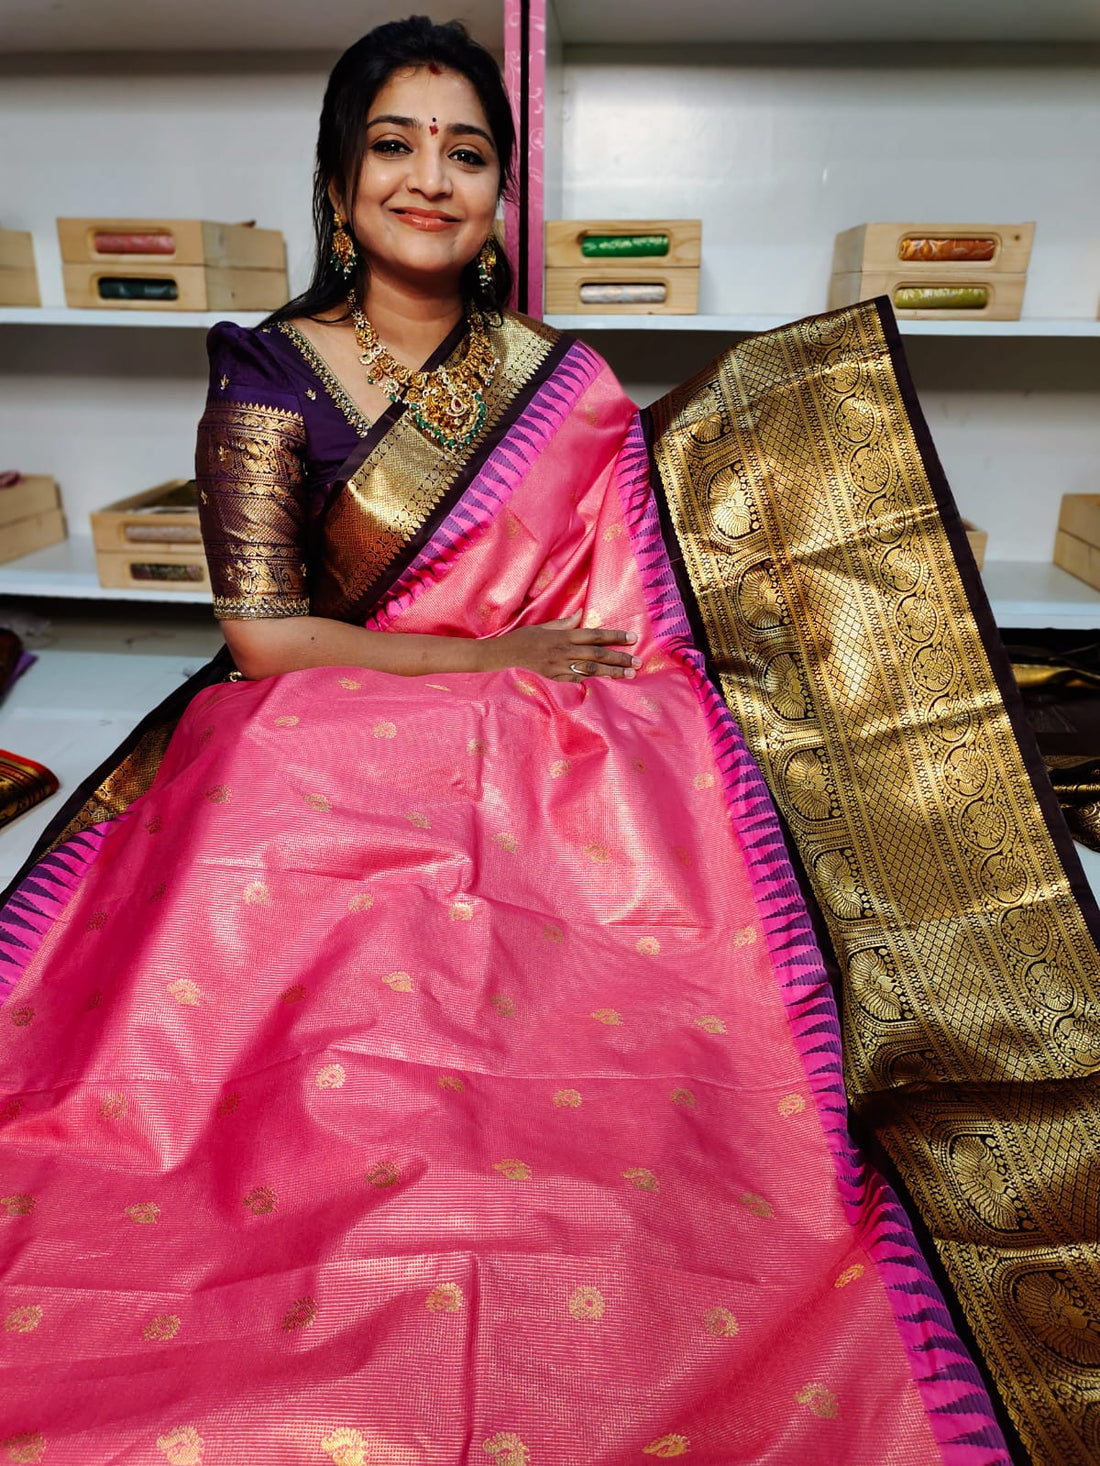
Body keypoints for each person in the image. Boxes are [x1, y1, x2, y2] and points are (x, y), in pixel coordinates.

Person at [2, 17, 1098, 1465]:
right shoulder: (268, 369)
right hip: (330, 712)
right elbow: (264, 636)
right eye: (394, 145)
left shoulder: (548, 375)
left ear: (500, 192)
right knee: (293, 823)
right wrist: (482, 660)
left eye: (467, 152)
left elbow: (624, 575)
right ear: (336, 180)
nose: (430, 178)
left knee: (661, 781)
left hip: (536, 719)